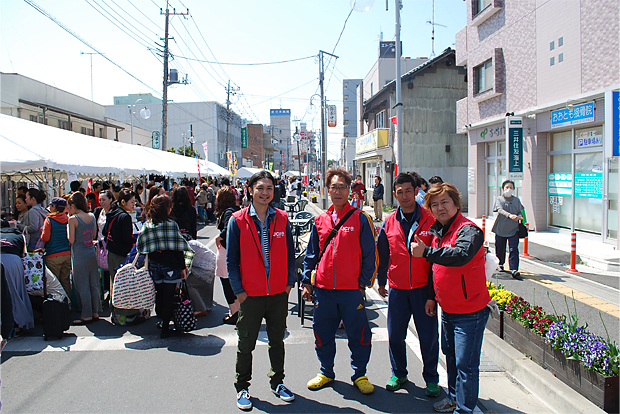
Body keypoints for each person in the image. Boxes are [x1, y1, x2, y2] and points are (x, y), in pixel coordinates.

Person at [410, 182, 490, 414]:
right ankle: (454, 398)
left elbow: (461, 255)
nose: (440, 208)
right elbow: (436, 269)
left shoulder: (469, 230)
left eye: (445, 202)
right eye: (434, 205)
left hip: (470, 311)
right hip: (448, 309)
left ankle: (464, 409)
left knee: (466, 365)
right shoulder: (439, 231)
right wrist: (431, 297)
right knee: (452, 359)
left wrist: (426, 252)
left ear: (456, 203)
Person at [302, 168, 378, 395]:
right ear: (327, 190)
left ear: (349, 190)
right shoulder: (320, 220)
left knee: (359, 335)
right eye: (333, 187)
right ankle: (326, 371)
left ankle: (360, 374)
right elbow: (311, 254)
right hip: (323, 290)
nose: (337, 191)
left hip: (351, 291)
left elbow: (371, 255)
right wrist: (307, 281)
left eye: (342, 187)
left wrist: (362, 284)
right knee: (322, 334)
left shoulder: (361, 218)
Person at [226, 171, 296, 410]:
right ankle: (242, 386)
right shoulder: (237, 220)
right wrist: (239, 292)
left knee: (277, 341)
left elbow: (290, 255)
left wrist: (289, 284)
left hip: (278, 294)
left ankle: (278, 382)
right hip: (251, 295)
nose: (265, 193)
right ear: (250, 190)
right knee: (246, 343)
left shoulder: (282, 218)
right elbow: (231, 261)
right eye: (260, 188)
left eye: (269, 188)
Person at [376, 172, 440, 396]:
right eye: (400, 192)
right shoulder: (388, 222)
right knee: (395, 335)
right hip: (398, 289)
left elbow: (436, 260)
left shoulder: (430, 220)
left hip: (423, 290)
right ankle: (399, 373)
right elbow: (383, 254)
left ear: (416, 191)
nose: (404, 196)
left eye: (408, 191)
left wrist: (432, 295)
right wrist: (381, 281)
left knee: (428, 337)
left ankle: (431, 379)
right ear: (395, 194)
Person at [136, 195, 194, 338]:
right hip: (170, 265)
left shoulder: (148, 225)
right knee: (169, 296)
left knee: (160, 294)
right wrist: (183, 267)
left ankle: (162, 321)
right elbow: (178, 248)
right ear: (167, 208)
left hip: (154, 265)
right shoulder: (171, 225)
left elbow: (141, 247)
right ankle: (166, 328)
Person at [104, 189, 142, 326]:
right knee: (125, 285)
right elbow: (127, 239)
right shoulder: (125, 217)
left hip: (111, 253)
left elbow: (104, 231)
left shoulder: (112, 213)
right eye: (131, 202)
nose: (133, 205)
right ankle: (126, 315)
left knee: (114, 283)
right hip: (122, 255)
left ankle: (114, 312)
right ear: (123, 202)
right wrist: (137, 238)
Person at [67, 192, 101, 325]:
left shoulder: (73, 219)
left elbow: (71, 239)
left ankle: (86, 314)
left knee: (82, 284)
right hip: (91, 252)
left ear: (73, 205)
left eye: (69, 206)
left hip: (79, 254)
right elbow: (94, 235)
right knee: (94, 283)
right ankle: (95, 311)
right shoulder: (92, 216)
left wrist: (68, 228)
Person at [0, 220, 35, 333]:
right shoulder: (19, 235)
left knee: (3, 294)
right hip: (14, 261)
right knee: (17, 292)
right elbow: (24, 254)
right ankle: (18, 323)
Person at [215, 186, 241, 324]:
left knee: (226, 283)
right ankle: (238, 312)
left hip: (226, 251)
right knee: (234, 283)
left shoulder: (228, 212)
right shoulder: (237, 210)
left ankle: (234, 312)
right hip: (237, 251)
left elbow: (226, 230)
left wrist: (219, 237)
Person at [40, 197, 72, 298]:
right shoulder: (68, 219)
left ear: (54, 207)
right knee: (66, 281)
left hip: (53, 255)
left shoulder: (49, 220)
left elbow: (45, 238)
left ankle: (59, 303)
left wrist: (42, 232)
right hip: (67, 254)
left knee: (55, 283)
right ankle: (68, 302)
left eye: (51, 206)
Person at [492, 180, 524, 278]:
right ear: (503, 189)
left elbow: (520, 211)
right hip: (501, 228)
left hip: (514, 228)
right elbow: (500, 210)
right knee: (500, 247)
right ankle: (500, 264)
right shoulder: (499, 199)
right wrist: (510, 215)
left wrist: (519, 216)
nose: (509, 189)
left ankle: (514, 269)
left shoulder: (516, 200)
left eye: (511, 187)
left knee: (513, 248)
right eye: (507, 187)